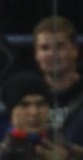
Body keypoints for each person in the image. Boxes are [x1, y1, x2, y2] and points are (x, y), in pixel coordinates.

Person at [32, 15, 83, 145]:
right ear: (36, 55)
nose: (52, 54)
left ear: (75, 50)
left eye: (59, 47)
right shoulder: (27, 99)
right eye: (45, 48)